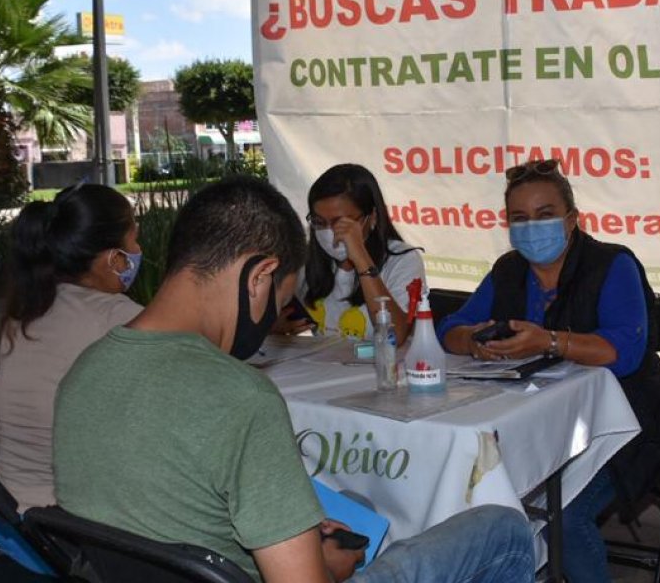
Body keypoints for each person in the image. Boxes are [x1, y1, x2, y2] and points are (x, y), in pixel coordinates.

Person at [53, 177, 534, 583]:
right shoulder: (242, 397)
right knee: (502, 527)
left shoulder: (84, 371)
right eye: (277, 298)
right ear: (259, 277)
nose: (266, 320)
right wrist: (326, 564)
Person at [437, 159, 660, 583]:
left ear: (571, 219)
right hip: (538, 420)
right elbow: (450, 328)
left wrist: (547, 341)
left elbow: (624, 352)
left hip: (622, 424)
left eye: (545, 215)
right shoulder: (508, 270)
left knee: (563, 514)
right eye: (520, 218)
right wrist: (473, 341)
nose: (532, 227)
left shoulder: (612, 265)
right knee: (468, 481)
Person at [0, 183, 143, 511]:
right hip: (72, 529)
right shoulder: (120, 318)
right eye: (134, 238)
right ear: (113, 259)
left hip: (13, 520)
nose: (139, 249)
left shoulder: (22, 316)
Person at [285, 164, 424, 343]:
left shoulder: (402, 259)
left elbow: (394, 336)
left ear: (371, 217)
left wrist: (360, 258)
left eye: (341, 222)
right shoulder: (308, 260)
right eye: (319, 222)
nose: (329, 232)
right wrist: (278, 326)